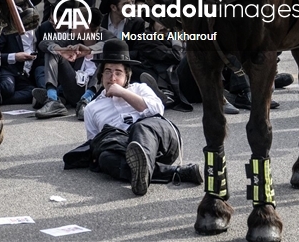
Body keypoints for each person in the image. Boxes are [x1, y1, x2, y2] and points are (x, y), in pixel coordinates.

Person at [68, 38, 201, 195]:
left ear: (127, 76)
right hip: (125, 150)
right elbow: (96, 142)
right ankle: (173, 172)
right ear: (101, 75)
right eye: (108, 72)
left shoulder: (140, 88)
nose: (112, 78)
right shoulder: (92, 108)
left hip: (161, 142)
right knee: (105, 158)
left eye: (118, 73)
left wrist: (123, 93)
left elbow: (158, 109)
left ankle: (143, 162)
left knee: (140, 127)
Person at [32, 0, 104, 119]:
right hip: (74, 88)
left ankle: (84, 102)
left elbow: (112, 44)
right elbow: (44, 43)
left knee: (107, 61)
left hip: (97, 94)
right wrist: (60, 50)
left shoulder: (106, 36)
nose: (72, 24)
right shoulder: (72, 39)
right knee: (54, 51)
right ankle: (53, 99)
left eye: (76, 21)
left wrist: (89, 49)